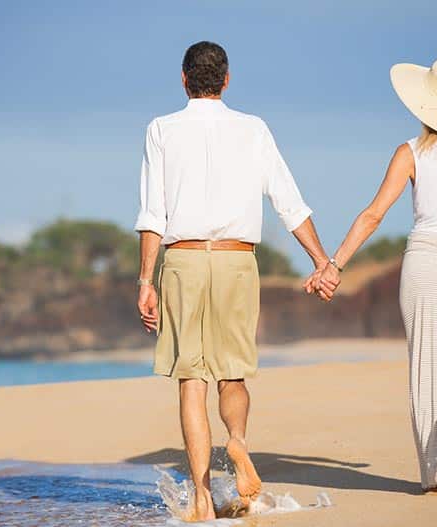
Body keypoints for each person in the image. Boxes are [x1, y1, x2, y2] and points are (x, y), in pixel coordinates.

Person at [134, 41, 331, 520]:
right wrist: (322, 260)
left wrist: (145, 279)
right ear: (226, 80)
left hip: (181, 261)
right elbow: (289, 202)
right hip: (236, 260)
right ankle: (237, 443)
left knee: (190, 380)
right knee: (232, 372)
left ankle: (201, 495)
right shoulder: (253, 129)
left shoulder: (161, 129)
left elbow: (152, 215)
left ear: (183, 79)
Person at [308, 58, 437, 491]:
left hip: (427, 265)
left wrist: (334, 265)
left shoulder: (410, 152)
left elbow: (373, 215)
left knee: (427, 367)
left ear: (425, 105)